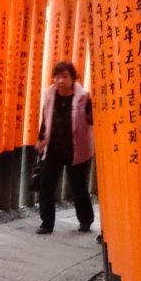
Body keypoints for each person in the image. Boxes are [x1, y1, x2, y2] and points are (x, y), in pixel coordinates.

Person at [34, 60, 95, 234]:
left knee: (78, 186)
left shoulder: (83, 97)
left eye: (65, 76)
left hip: (76, 149)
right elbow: (46, 119)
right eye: (57, 77)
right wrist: (40, 139)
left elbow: (91, 119)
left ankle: (85, 220)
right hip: (53, 148)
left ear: (73, 78)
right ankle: (47, 223)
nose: (60, 81)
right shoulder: (49, 95)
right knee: (46, 186)